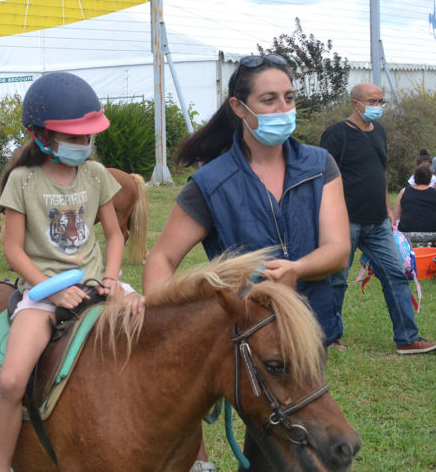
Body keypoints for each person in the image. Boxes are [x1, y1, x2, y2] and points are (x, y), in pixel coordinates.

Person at [143, 55, 350, 471]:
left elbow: (338, 248)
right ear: (240, 108)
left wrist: (296, 269)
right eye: (269, 100)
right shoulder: (211, 183)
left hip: (309, 334)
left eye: (289, 98)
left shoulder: (319, 165)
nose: (283, 110)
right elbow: (161, 259)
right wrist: (165, 325)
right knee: (286, 452)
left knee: (294, 446)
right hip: (247, 345)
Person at [0, 72, 143, 471]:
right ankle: (3, 465)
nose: (84, 145)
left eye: (87, 137)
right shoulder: (21, 181)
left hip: (99, 281)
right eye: (73, 137)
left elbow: (114, 235)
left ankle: (195, 457)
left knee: (161, 335)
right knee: (10, 383)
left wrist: (111, 278)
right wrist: (49, 291)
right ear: (39, 134)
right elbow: (12, 250)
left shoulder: (96, 174)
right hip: (45, 292)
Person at [320, 83, 436, 355]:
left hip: (378, 223)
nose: (377, 106)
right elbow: (322, 177)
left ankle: (407, 339)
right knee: (337, 280)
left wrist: (388, 209)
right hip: (344, 222)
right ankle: (329, 338)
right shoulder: (337, 134)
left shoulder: (380, 133)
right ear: (355, 104)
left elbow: (379, 173)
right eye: (372, 101)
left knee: (397, 274)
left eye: (380, 101)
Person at [396, 165, 436, 245]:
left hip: (407, 233)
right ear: (430, 179)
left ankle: (406, 250)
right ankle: (434, 247)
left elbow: (396, 217)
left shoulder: (403, 192)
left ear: (414, 178)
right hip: (434, 233)